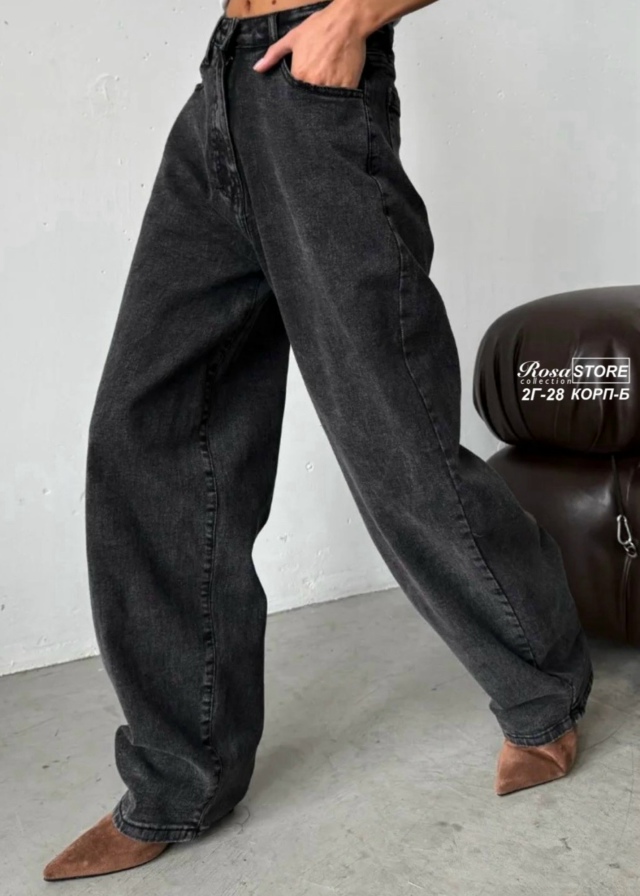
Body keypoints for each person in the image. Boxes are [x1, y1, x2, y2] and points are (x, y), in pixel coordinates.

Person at [43, 0, 593, 881]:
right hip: (224, 84)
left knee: (392, 432)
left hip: (314, 83)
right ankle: (183, 776)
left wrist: (353, 19)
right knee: (146, 426)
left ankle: (543, 687)